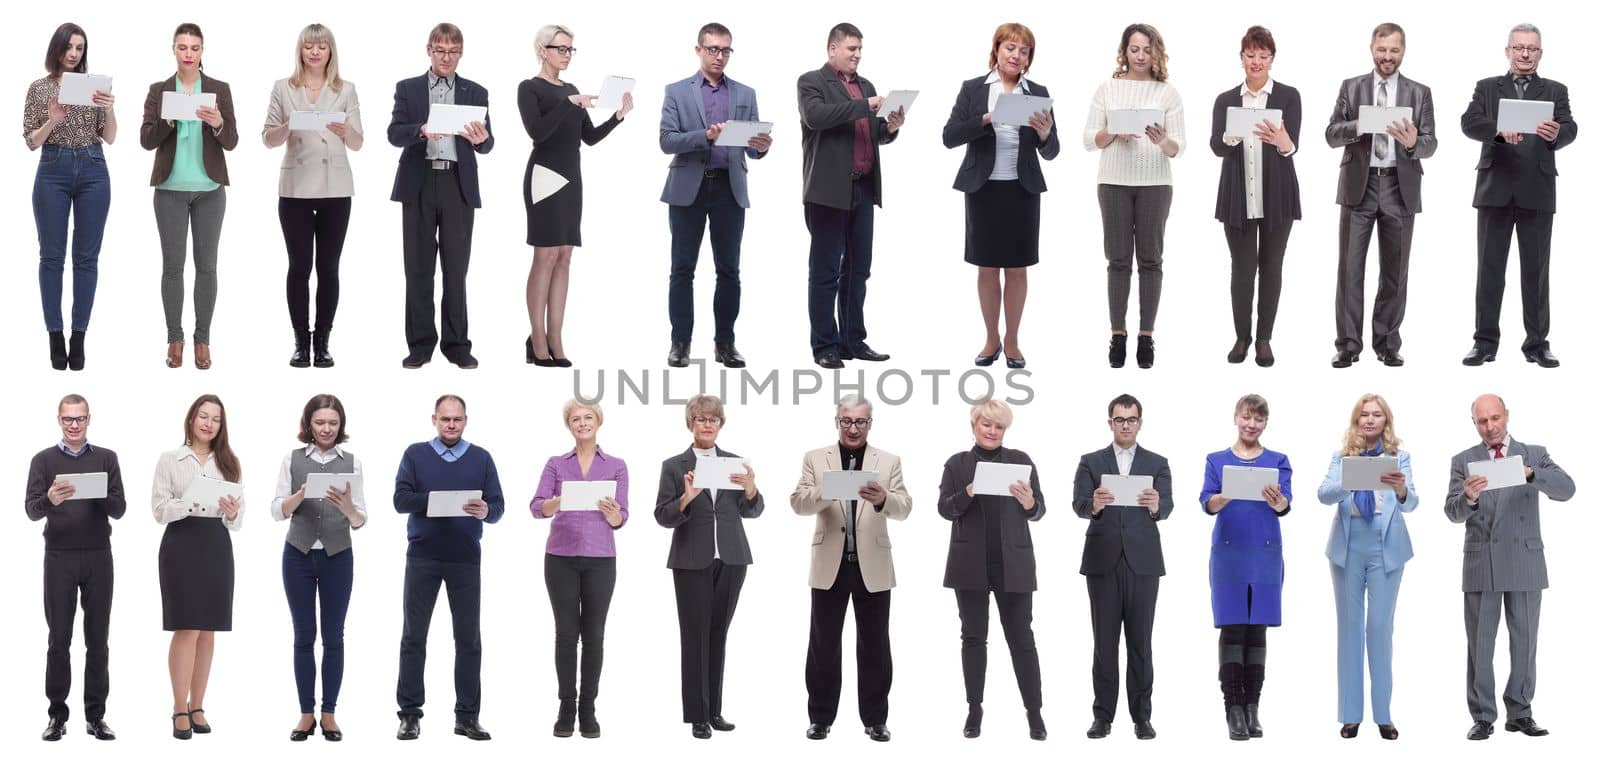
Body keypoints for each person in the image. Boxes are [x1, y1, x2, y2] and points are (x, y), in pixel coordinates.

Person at [1445, 394, 1574, 740]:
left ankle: (1520, 712)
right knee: (1480, 645)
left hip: (1525, 559)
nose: (1490, 426)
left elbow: (1567, 490)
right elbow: (1451, 512)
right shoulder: (1464, 460)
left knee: (1525, 641)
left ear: (1507, 416)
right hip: (1481, 561)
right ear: (1474, 423)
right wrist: (1468, 498)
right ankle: (1483, 715)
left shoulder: (1534, 453)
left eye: (1495, 418)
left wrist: (1531, 474)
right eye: (1482, 421)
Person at [789, 395, 911, 742]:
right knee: (823, 645)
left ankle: (875, 720)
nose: (853, 428)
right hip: (830, 563)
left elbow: (905, 507)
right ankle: (820, 718)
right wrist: (827, 490)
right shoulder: (815, 458)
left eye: (860, 422)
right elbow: (798, 503)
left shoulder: (888, 461)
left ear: (870, 423)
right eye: (846, 421)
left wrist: (884, 499)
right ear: (837, 422)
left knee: (874, 646)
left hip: (873, 564)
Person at [1460, 24, 1578, 369]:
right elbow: (1469, 122)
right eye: (1519, 47)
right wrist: (1496, 129)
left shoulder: (1556, 90)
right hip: (1495, 187)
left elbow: (1570, 126)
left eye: (1532, 49)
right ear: (1507, 50)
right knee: (1489, 269)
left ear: (1540, 53)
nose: (1525, 54)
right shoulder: (1487, 88)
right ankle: (1484, 343)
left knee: (1537, 271)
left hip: (1537, 190)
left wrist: (1559, 133)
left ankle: (1537, 344)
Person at [943, 22, 1059, 370]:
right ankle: (991, 337)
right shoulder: (975, 89)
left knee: (1018, 268)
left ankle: (1012, 340)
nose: (1016, 56)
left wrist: (1044, 133)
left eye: (1024, 51)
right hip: (983, 189)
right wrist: (987, 118)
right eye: (1010, 48)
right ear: (997, 50)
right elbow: (949, 136)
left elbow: (1052, 151)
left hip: (1022, 190)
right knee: (987, 266)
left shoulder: (1036, 91)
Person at [660, 22, 772, 369]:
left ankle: (725, 343)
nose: (719, 56)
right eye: (713, 49)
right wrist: (704, 136)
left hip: (729, 187)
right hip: (688, 188)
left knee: (729, 270)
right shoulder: (677, 91)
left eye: (725, 50)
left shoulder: (744, 94)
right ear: (699, 50)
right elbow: (667, 141)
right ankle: (680, 343)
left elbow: (751, 149)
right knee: (682, 269)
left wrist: (762, 147)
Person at [394, 394, 505, 740]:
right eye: (445, 419)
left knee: (468, 639)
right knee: (414, 636)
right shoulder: (415, 454)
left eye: (457, 419)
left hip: (465, 559)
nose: (451, 425)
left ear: (466, 420)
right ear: (434, 420)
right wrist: (436, 502)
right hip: (423, 557)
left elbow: (498, 506)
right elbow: (400, 500)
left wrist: (487, 511)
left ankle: (467, 717)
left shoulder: (482, 458)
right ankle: (410, 714)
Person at [653, 394, 765, 739]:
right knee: (695, 637)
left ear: (720, 424)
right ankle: (698, 716)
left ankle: (715, 710)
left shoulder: (734, 462)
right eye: (701, 419)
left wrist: (750, 490)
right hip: (691, 560)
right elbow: (662, 514)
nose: (707, 424)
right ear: (691, 422)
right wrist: (687, 497)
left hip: (731, 558)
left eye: (713, 419)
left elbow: (753, 511)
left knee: (718, 635)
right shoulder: (674, 465)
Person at [1325, 24, 1436, 369]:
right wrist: (1360, 124)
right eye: (1382, 49)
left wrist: (1413, 142)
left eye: (1394, 51)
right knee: (1350, 270)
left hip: (1399, 189)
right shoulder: (1352, 87)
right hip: (1360, 186)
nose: (1387, 57)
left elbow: (1431, 143)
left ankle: (1387, 342)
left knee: (1394, 272)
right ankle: (1348, 345)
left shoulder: (1420, 93)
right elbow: (1330, 134)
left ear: (1403, 51)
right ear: (1371, 48)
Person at [520, 25, 631, 367]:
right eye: (561, 48)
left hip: (571, 180)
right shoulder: (530, 88)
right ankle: (537, 339)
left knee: (565, 256)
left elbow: (589, 138)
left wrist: (617, 117)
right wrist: (568, 104)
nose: (567, 55)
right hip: (544, 177)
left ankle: (556, 337)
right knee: (545, 257)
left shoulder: (572, 89)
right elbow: (538, 132)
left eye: (571, 49)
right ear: (543, 50)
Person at [938, 399, 1047, 741]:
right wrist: (968, 491)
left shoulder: (1021, 461)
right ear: (974, 425)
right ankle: (974, 709)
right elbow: (944, 509)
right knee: (973, 638)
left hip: (1013, 564)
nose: (992, 431)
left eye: (998, 426)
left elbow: (1038, 510)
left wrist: (1029, 502)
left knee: (1022, 639)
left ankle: (1035, 712)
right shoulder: (957, 464)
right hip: (970, 564)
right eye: (986, 424)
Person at [798, 23, 905, 369]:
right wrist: (865, 106)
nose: (857, 55)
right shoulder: (812, 82)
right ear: (832, 49)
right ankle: (825, 345)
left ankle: (853, 340)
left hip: (863, 188)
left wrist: (890, 125)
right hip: (828, 191)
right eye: (851, 49)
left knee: (859, 270)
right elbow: (816, 118)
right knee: (826, 271)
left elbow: (874, 134)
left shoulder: (867, 86)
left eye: (860, 49)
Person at [389, 23, 493, 370]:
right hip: (419, 182)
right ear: (429, 50)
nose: (446, 57)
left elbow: (488, 143)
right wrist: (419, 131)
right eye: (440, 50)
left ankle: (456, 344)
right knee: (418, 270)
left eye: (452, 51)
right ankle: (420, 345)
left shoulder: (476, 92)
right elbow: (393, 133)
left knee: (456, 270)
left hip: (457, 185)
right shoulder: (408, 89)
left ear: (460, 53)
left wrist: (481, 139)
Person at [1070, 393, 1172, 740]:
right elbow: (1078, 504)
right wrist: (1094, 506)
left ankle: (1142, 717)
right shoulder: (1090, 461)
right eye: (1119, 419)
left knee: (1141, 642)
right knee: (1104, 643)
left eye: (1131, 419)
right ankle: (1103, 716)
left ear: (1140, 423)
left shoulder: (1157, 463)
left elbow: (1168, 506)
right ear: (1110, 422)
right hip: (1103, 561)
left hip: (1143, 562)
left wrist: (1158, 505)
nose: (1125, 425)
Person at [1083, 23, 1184, 369]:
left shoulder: (1167, 93)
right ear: (1124, 51)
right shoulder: (1107, 88)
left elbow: (1178, 148)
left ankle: (1146, 336)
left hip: (1156, 183)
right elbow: (1088, 139)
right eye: (1134, 49)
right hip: (1113, 182)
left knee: (1151, 259)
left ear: (1157, 53)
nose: (1140, 56)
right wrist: (1112, 131)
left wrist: (1161, 140)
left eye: (1147, 49)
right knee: (1118, 260)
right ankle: (1117, 335)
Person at [25, 394, 126, 741]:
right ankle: (57, 716)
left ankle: (96, 716)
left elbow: (119, 508)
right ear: (58, 420)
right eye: (68, 418)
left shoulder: (106, 458)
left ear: (88, 420)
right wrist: (51, 499)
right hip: (59, 557)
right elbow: (31, 510)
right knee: (59, 640)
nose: (73, 424)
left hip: (99, 556)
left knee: (98, 640)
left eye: (80, 418)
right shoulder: (42, 460)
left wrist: (95, 491)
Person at [1316, 394, 1416, 740]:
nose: (1370, 420)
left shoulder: (1398, 457)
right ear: (1356, 421)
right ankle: (1350, 715)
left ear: (1386, 421)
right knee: (1350, 629)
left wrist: (1402, 489)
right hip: (1348, 546)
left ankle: (1384, 715)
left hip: (1386, 545)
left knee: (1379, 629)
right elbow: (1323, 494)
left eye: (1376, 415)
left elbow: (1412, 503)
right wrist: (1349, 480)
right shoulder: (1341, 457)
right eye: (1364, 415)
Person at [263, 24, 364, 369]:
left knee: (329, 268)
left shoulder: (346, 90)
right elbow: (268, 138)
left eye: (322, 46)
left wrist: (344, 129)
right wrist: (289, 124)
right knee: (299, 267)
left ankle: (323, 342)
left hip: (336, 188)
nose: (315, 52)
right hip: (295, 189)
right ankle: (299, 341)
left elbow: (358, 142)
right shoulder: (283, 88)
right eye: (309, 46)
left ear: (331, 51)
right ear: (300, 51)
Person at [140, 23, 238, 371]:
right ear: (173, 50)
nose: (188, 54)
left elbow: (232, 141)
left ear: (202, 51)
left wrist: (218, 123)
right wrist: (167, 120)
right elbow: (146, 140)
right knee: (172, 267)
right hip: (170, 189)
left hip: (210, 189)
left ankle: (203, 340)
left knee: (207, 267)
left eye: (194, 48)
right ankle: (174, 338)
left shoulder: (218, 89)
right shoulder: (159, 90)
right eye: (182, 47)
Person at [529, 400, 629, 738]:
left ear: (598, 421)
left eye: (588, 417)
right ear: (568, 425)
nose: (582, 423)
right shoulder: (556, 464)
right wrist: (557, 502)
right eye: (576, 419)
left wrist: (615, 515)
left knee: (595, 635)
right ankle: (565, 706)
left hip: (601, 559)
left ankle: (588, 708)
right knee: (566, 634)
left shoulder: (616, 465)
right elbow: (536, 507)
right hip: (560, 558)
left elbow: (622, 516)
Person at [270, 394, 367, 741]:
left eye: (333, 423)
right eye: (320, 422)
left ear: (341, 426)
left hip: (338, 555)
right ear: (308, 424)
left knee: (334, 637)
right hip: (297, 553)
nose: (326, 429)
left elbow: (360, 520)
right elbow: (276, 509)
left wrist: (348, 508)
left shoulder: (352, 462)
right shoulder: (291, 458)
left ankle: (329, 713)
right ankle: (305, 713)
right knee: (303, 636)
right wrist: (297, 497)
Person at [151, 394, 244, 739]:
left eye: (216, 419)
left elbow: (237, 519)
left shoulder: (229, 462)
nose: (208, 423)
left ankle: (198, 705)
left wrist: (233, 512)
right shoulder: (170, 459)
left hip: (216, 546)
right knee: (187, 626)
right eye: (203, 416)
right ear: (191, 419)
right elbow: (159, 510)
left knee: (208, 630)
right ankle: (178, 706)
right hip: (181, 544)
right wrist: (188, 501)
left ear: (222, 425)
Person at [1199, 393, 1291, 740]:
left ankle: (1253, 707)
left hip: (1265, 551)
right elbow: (1207, 502)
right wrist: (1221, 498)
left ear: (1265, 423)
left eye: (1258, 419)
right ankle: (1233, 708)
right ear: (1236, 418)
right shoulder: (1217, 460)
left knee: (1258, 630)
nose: (1251, 425)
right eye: (1246, 417)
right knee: (1233, 626)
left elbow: (1284, 505)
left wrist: (1280, 501)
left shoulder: (1278, 460)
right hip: (1229, 551)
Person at [26, 23, 116, 371]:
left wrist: (108, 108)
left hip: (94, 167)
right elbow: (31, 140)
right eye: (69, 47)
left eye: (80, 47)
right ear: (58, 49)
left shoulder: (94, 87)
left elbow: (109, 137)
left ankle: (79, 338)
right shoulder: (39, 88)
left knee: (87, 259)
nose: (74, 53)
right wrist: (52, 120)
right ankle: (55, 336)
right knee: (51, 257)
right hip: (53, 168)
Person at [1210, 26, 1300, 367]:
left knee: (1271, 268)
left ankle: (1264, 339)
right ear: (1241, 57)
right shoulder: (1226, 100)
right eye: (1251, 55)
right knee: (1242, 270)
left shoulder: (1289, 97)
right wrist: (1231, 136)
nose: (1257, 62)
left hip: (1277, 197)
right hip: (1238, 196)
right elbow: (1216, 145)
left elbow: (1293, 146)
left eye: (1263, 56)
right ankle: (1242, 337)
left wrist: (1283, 142)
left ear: (1272, 59)